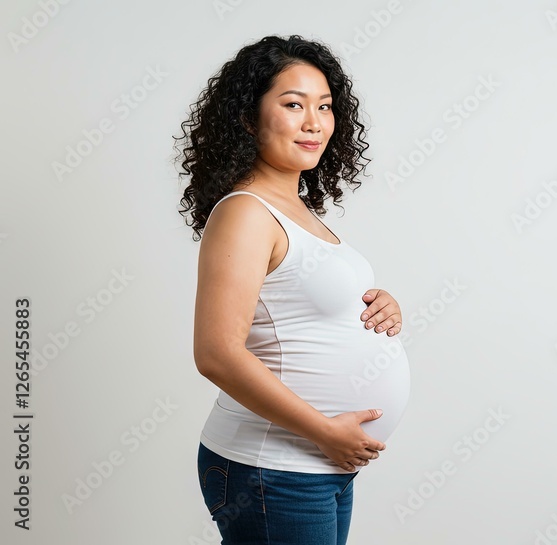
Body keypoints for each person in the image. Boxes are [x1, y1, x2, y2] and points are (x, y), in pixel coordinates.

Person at [173, 34, 411, 545]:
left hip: (311, 465)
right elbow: (216, 353)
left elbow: (299, 304)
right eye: (293, 104)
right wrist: (325, 432)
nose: (314, 122)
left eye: (324, 106)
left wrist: (375, 305)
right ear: (247, 117)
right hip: (274, 467)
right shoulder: (244, 213)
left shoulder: (295, 210)